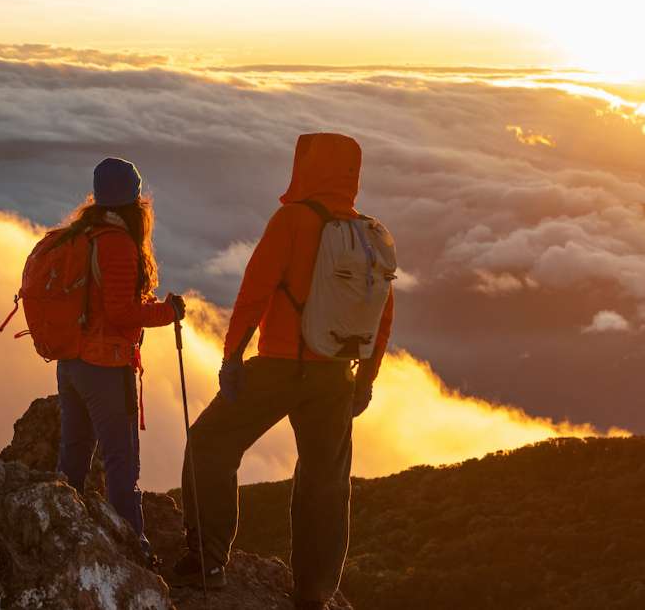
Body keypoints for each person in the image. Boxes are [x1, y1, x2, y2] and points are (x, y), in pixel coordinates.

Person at [173, 133, 395, 610]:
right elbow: (383, 314)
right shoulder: (368, 234)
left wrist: (232, 358)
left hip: (280, 366)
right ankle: (313, 593)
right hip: (337, 375)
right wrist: (367, 379)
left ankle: (208, 560)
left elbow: (255, 291)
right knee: (325, 483)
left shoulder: (292, 220)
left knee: (210, 443)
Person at [54, 157, 186, 563]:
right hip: (105, 367)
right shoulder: (117, 244)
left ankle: (60, 533)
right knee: (121, 461)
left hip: (71, 362)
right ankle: (131, 547)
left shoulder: (81, 234)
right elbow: (120, 314)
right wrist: (168, 313)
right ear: (134, 200)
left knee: (74, 451)